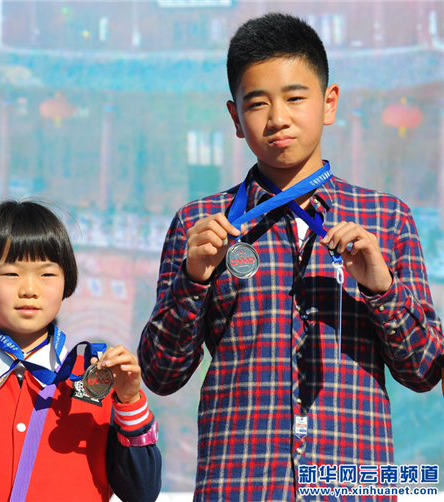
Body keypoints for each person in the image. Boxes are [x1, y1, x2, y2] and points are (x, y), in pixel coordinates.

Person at [138, 12, 443, 502]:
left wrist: (381, 288)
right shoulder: (202, 224)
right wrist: (194, 279)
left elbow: (425, 369)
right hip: (240, 483)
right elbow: (160, 373)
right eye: (257, 103)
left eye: (295, 98)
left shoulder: (386, 218)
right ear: (235, 119)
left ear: (329, 102)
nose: (277, 118)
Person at [0, 200, 162, 502]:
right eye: (11, 274)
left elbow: (141, 493)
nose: (30, 290)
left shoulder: (97, 382)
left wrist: (129, 402)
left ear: (67, 281)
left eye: (47, 274)